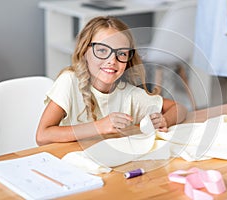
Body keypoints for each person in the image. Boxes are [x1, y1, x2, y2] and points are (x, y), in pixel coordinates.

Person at [36, 16, 187, 146]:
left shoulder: (129, 94)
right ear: (84, 52)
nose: (111, 61)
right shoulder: (69, 81)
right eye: (102, 50)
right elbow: (42, 136)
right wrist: (99, 126)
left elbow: (179, 108)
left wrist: (165, 120)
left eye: (121, 53)